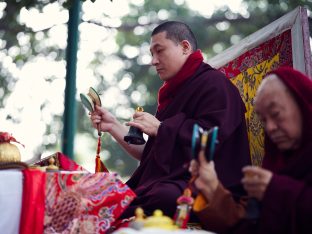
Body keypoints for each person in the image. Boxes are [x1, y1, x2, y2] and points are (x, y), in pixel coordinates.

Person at [90, 20, 251, 219]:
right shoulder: (175, 94)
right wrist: (113, 125)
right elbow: (151, 156)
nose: (153, 61)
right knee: (115, 196)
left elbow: (211, 139)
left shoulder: (215, 85)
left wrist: (162, 128)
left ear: (185, 47)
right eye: (151, 53)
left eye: (159, 51)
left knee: (163, 197)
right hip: (169, 184)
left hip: (211, 186)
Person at [190, 66, 312, 234]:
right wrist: (211, 187)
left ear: (304, 105)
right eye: (263, 119)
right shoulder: (276, 163)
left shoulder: (274, 182)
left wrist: (276, 191)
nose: (270, 127)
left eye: (276, 114)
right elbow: (245, 226)